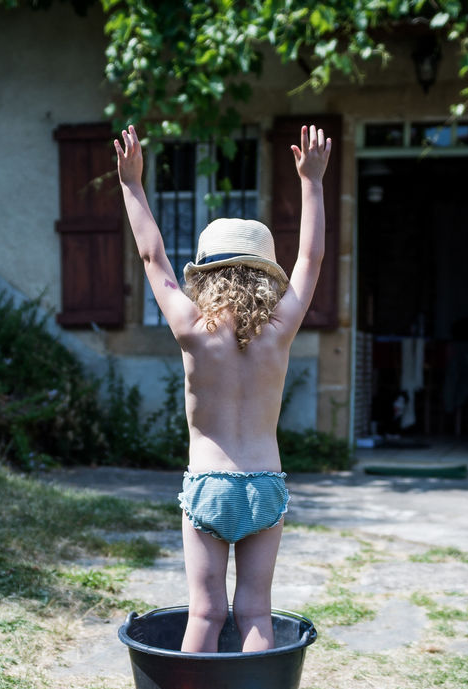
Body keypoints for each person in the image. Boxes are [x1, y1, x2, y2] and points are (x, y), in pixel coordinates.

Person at [114, 123, 332, 653]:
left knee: (206, 612)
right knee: (255, 610)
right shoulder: (280, 328)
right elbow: (310, 260)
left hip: (209, 483)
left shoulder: (190, 326)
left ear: (206, 275)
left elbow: (152, 258)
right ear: (266, 275)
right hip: (265, 485)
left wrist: (132, 184)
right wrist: (312, 182)